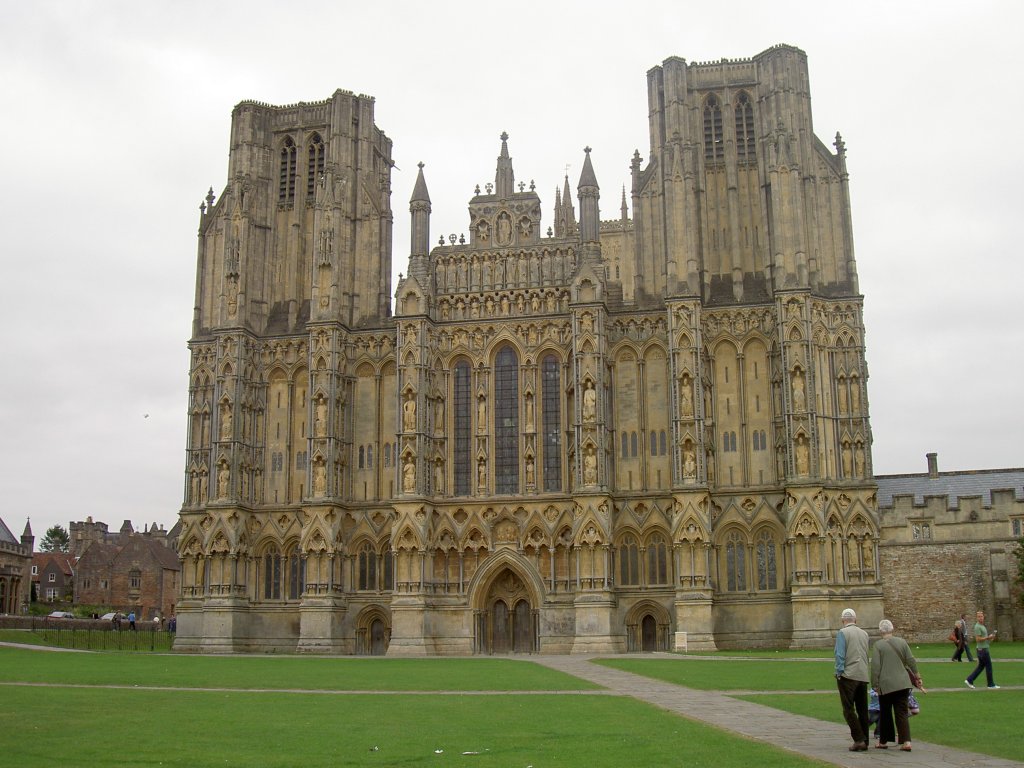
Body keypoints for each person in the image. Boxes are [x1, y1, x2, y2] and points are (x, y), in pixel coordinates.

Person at [871, 619, 920, 751]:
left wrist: (874, 684)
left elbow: (875, 667)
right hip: (903, 683)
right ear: (892, 629)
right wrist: (917, 675)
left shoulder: (878, 645)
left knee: (885, 713)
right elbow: (910, 660)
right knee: (902, 713)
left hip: (885, 684)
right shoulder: (902, 642)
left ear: (881, 631)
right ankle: (906, 742)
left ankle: (884, 741)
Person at [834, 607, 870, 751]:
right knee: (862, 709)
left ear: (843, 620)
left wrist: (839, 672)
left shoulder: (842, 633)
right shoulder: (864, 633)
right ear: (855, 620)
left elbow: (840, 655)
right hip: (863, 674)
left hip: (848, 675)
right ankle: (865, 740)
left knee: (848, 709)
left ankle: (859, 739)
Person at [965, 610, 1000, 689]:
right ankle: (990, 684)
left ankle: (969, 680)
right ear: (977, 618)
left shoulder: (982, 626)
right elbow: (978, 639)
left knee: (981, 666)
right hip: (983, 650)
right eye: (978, 616)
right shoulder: (977, 627)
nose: (980, 618)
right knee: (989, 666)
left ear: (983, 617)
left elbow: (985, 639)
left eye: (981, 616)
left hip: (983, 648)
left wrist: (991, 638)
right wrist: (988, 637)